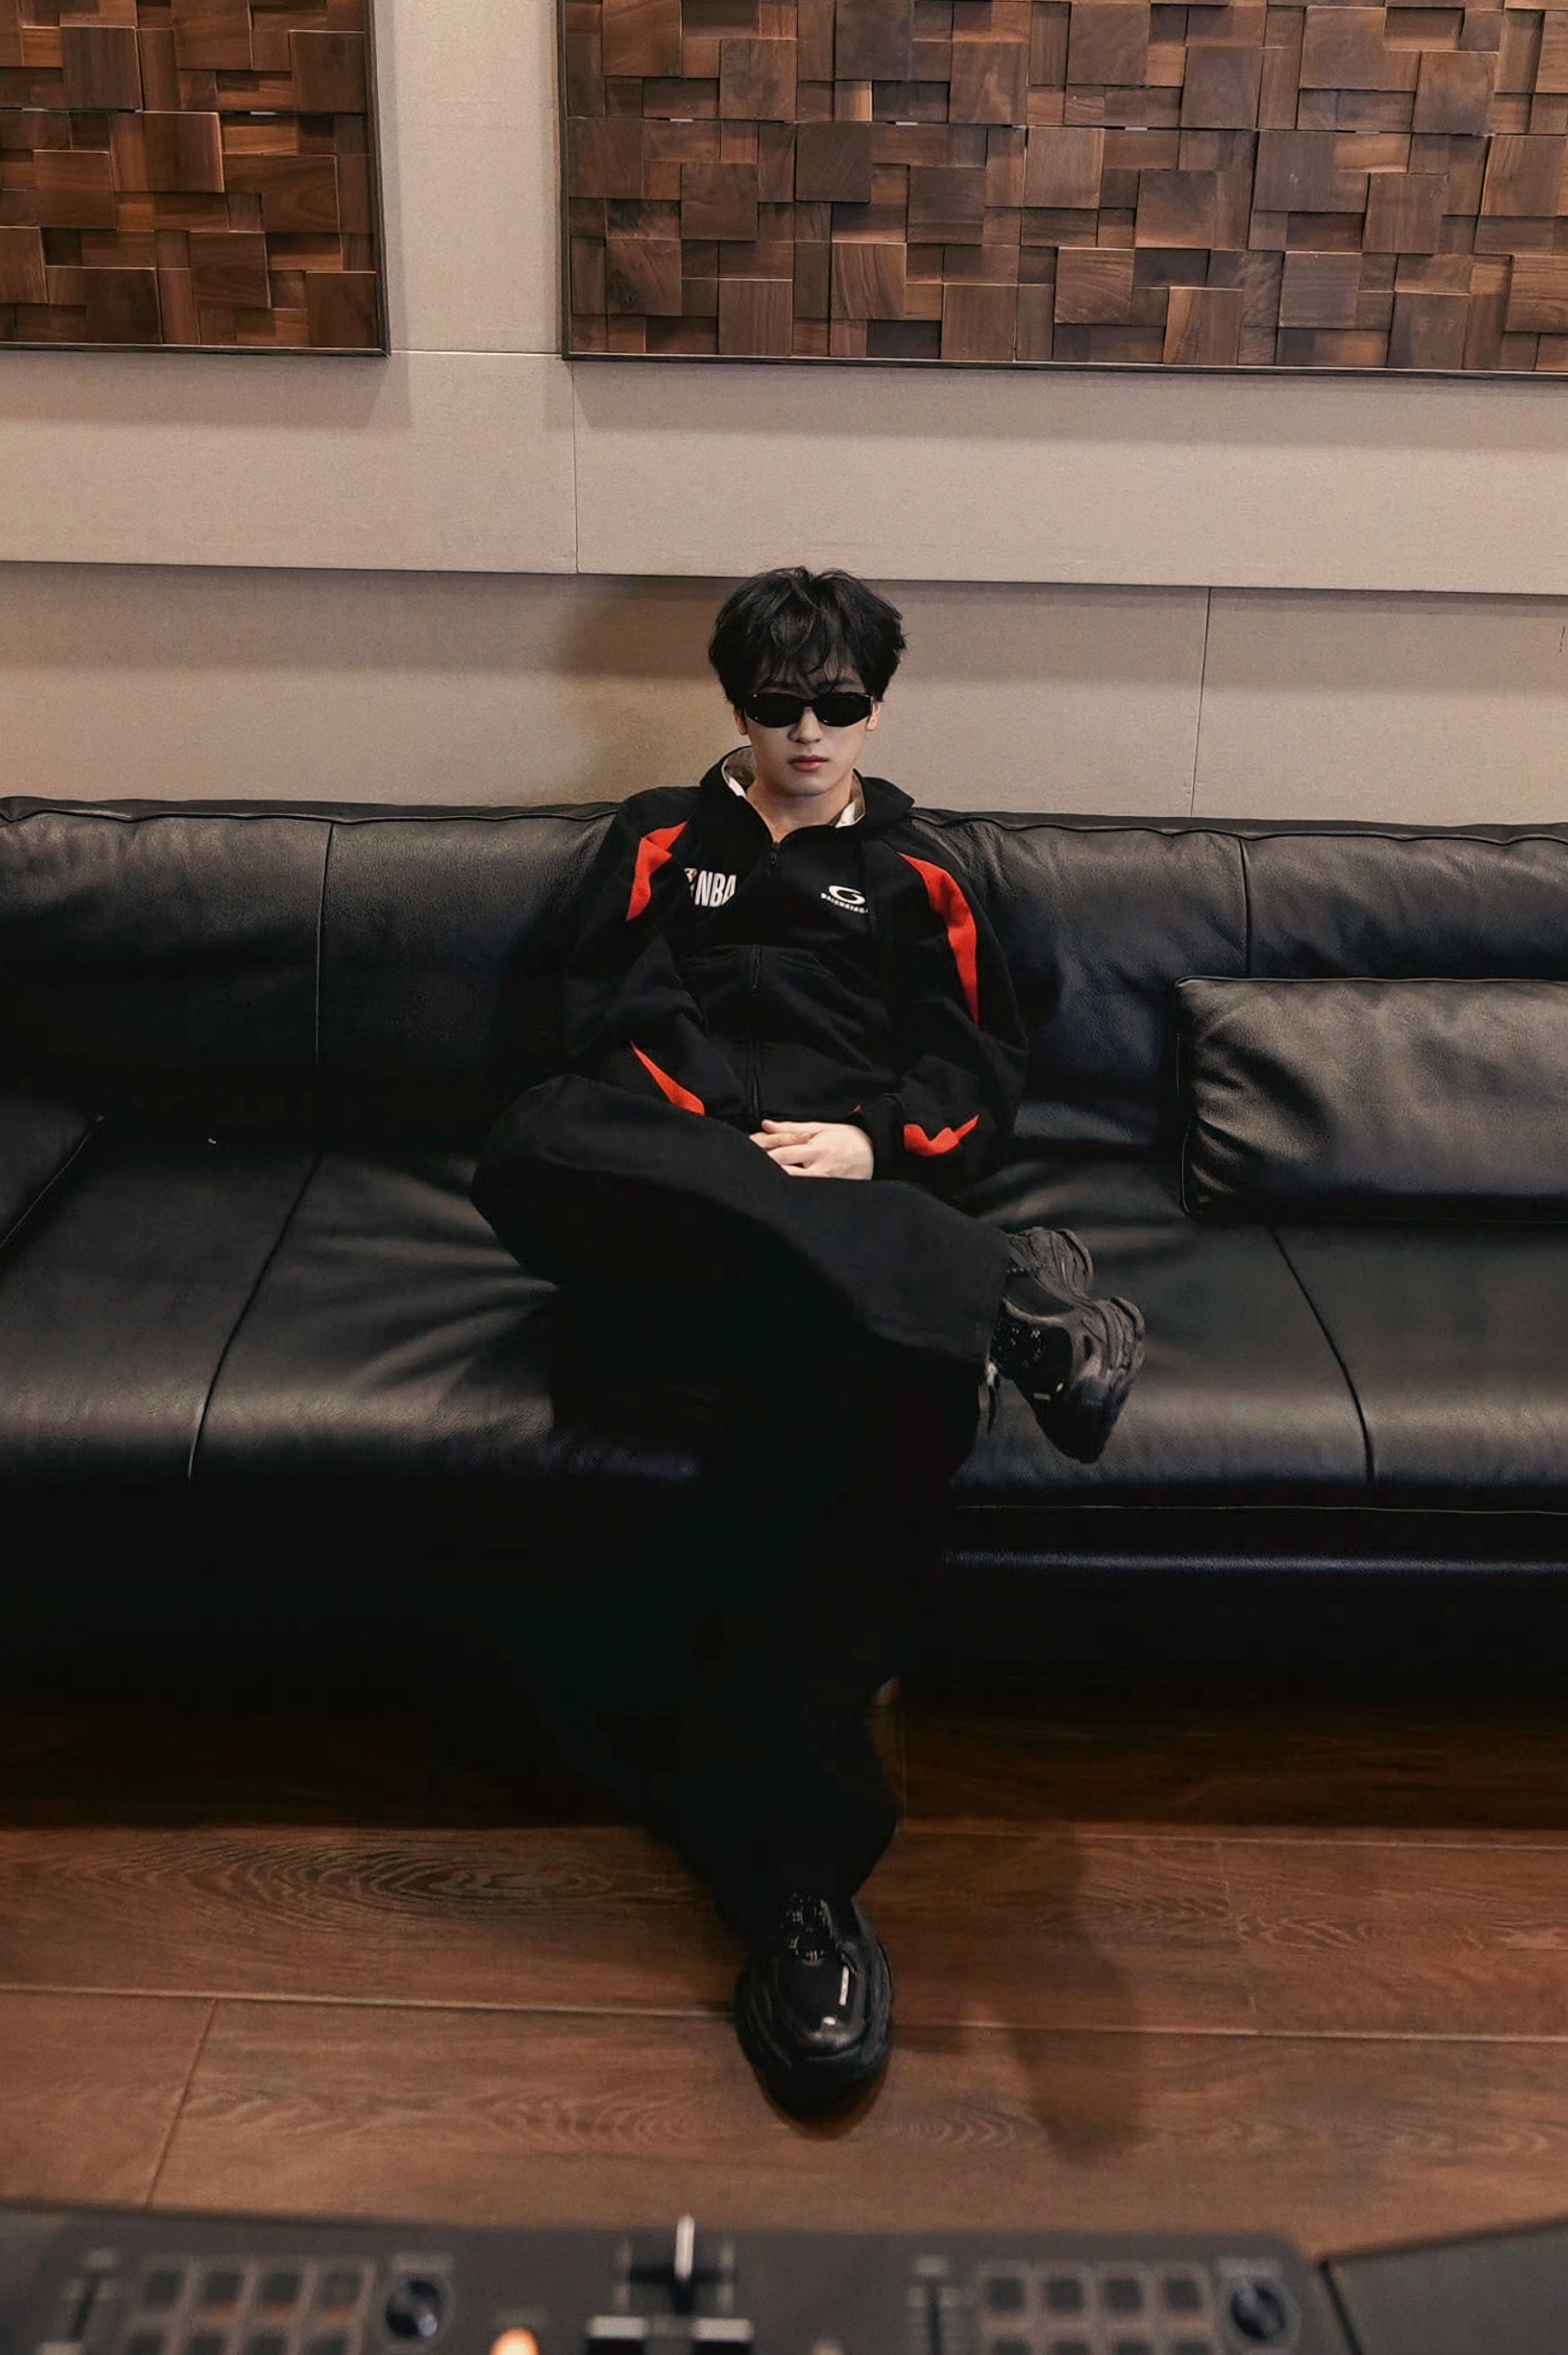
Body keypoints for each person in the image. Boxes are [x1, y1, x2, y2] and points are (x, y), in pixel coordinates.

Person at [472, 567, 1144, 2115]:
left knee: (866, 1401)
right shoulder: (656, 836)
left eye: (838, 703)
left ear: (877, 708)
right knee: (537, 1134)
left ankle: (797, 1892)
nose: (808, 731)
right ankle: (997, 1287)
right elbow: (612, 1017)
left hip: (842, 1226)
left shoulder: (926, 871)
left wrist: (870, 1144)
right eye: (778, 704)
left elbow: (976, 1066)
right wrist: (732, 1142)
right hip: (685, 1190)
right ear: (736, 705)